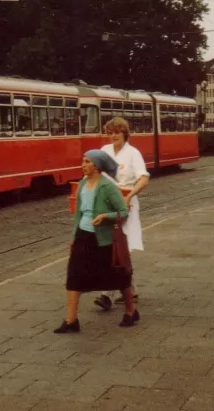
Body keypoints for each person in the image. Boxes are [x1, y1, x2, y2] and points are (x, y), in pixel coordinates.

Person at [53, 150, 138, 333]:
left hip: (103, 239)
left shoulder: (108, 187)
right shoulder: (82, 184)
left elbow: (123, 212)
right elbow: (79, 214)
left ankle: (131, 310)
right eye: (82, 161)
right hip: (83, 236)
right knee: (74, 276)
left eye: (87, 162)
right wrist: (74, 237)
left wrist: (105, 216)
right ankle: (71, 321)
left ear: (97, 167)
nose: (83, 165)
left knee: (117, 277)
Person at [95, 117, 150, 311]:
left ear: (124, 133)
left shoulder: (133, 153)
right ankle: (130, 288)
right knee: (113, 247)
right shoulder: (104, 151)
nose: (113, 136)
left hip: (126, 203)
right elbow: (94, 174)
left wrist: (130, 195)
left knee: (120, 246)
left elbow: (144, 178)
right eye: (109, 133)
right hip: (105, 204)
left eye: (117, 132)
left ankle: (107, 294)